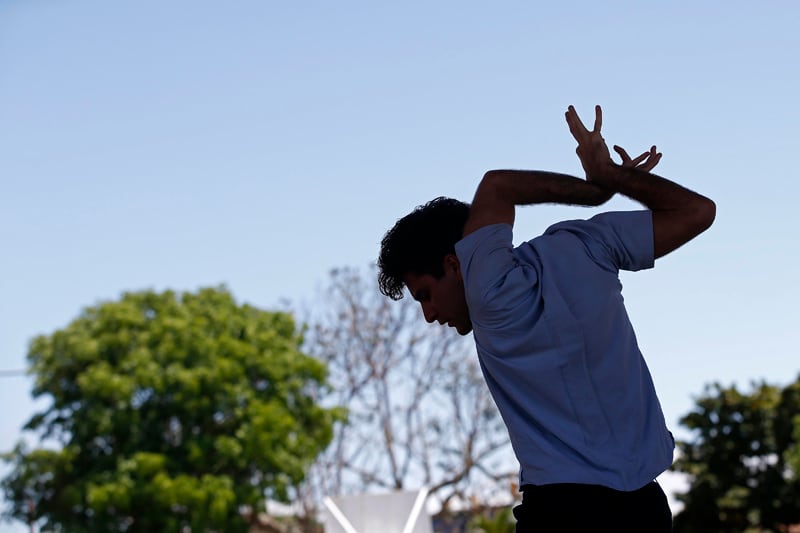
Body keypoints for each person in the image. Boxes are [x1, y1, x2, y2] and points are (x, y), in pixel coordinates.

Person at [376, 105, 716, 532]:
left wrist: (595, 192)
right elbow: (698, 211)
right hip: (644, 510)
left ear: (456, 263)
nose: (429, 315)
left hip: (563, 512)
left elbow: (496, 185)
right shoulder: (586, 243)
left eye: (425, 294)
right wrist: (610, 178)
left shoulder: (489, 294)